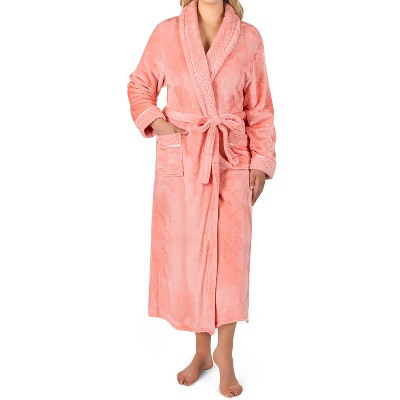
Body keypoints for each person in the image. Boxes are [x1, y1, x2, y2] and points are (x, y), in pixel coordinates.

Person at [127, 0, 276, 396]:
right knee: (194, 258)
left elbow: (260, 110)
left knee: (230, 262)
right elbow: (140, 85)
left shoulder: (248, 39)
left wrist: (261, 162)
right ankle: (200, 352)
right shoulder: (166, 33)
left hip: (232, 160)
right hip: (186, 159)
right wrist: (160, 125)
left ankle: (224, 353)